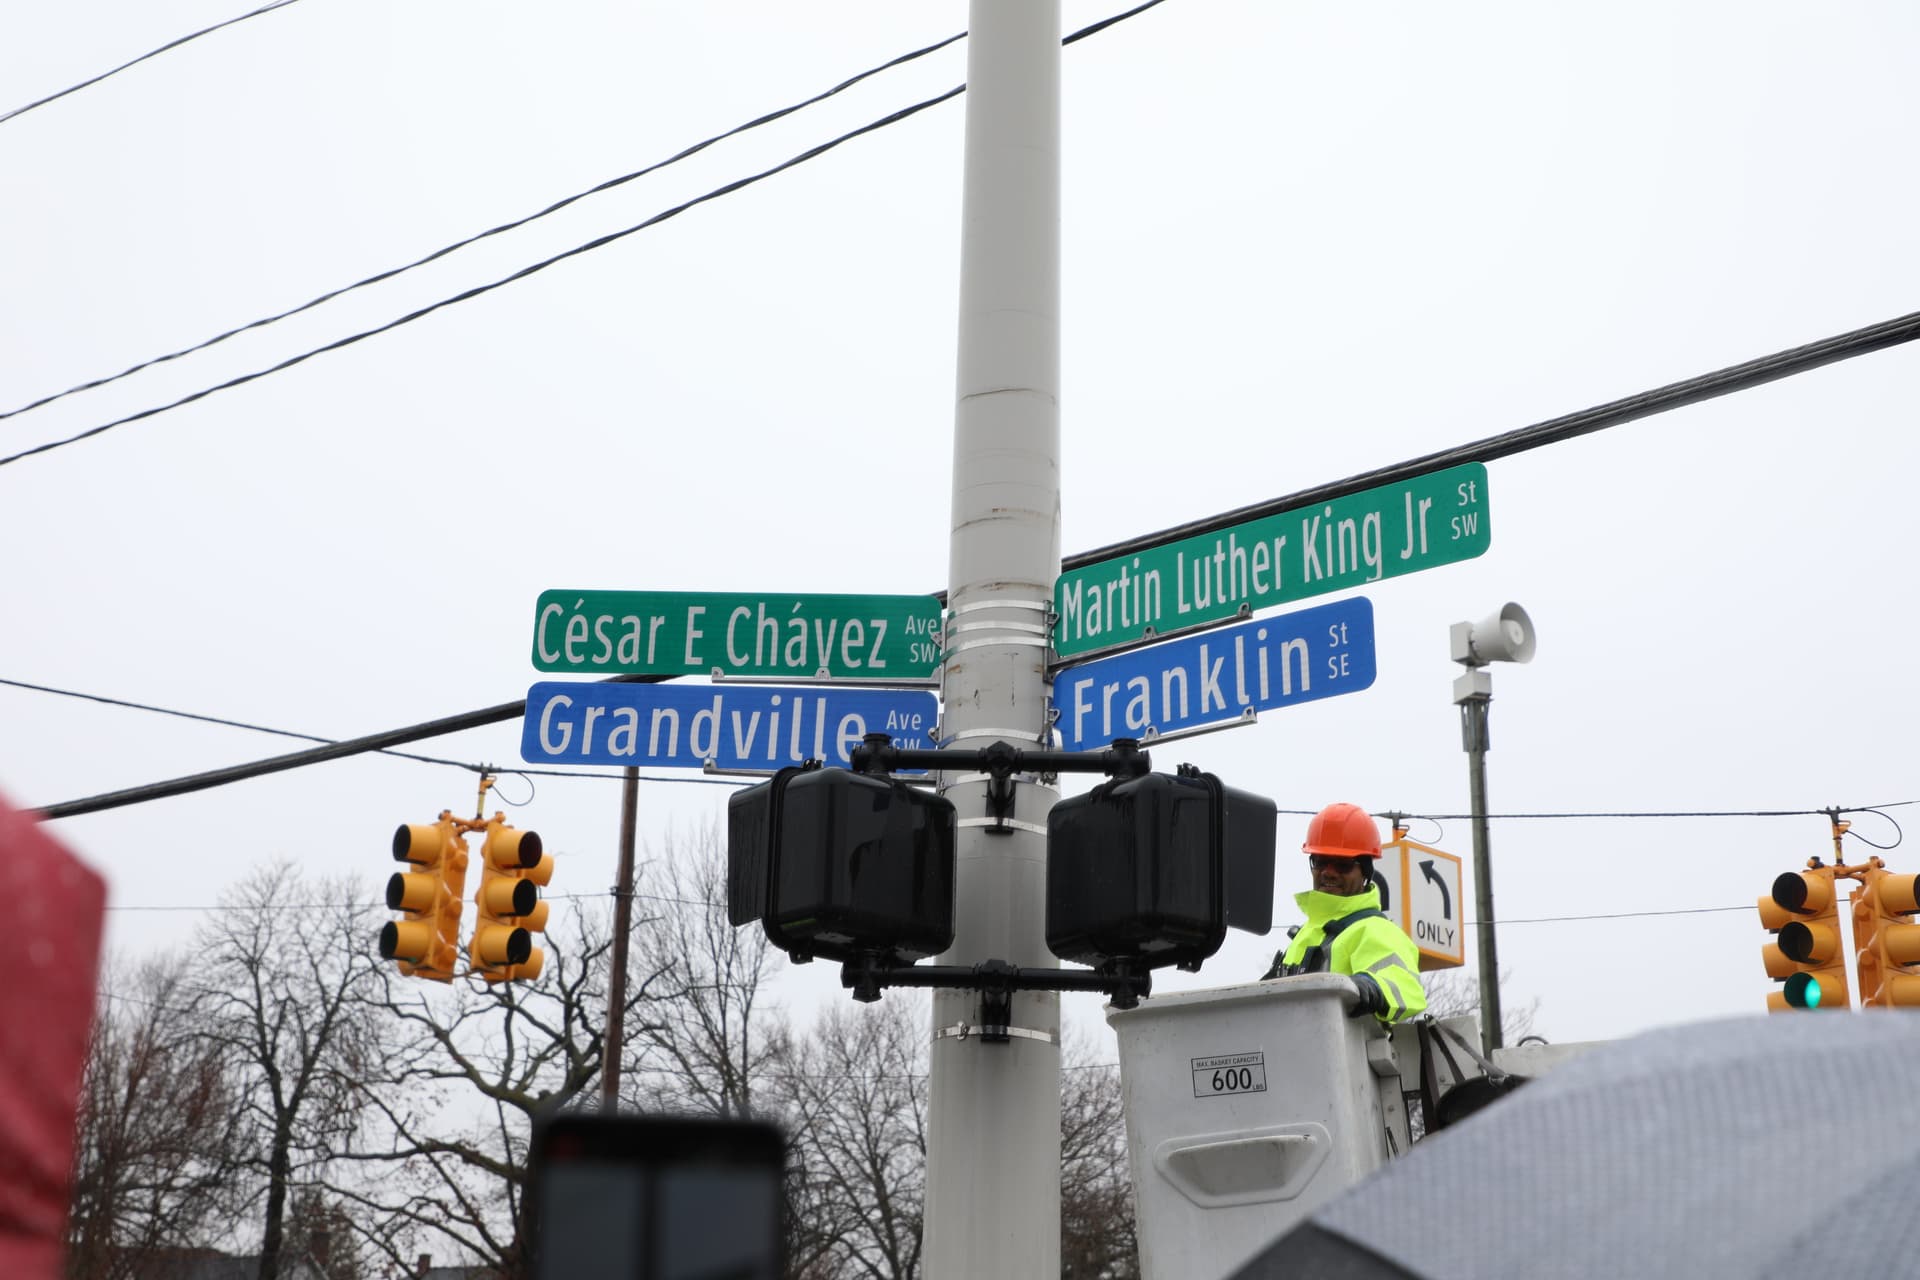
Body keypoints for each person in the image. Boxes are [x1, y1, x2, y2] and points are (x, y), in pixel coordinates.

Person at [1261, 802, 1427, 1024]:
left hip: (1346, 1046)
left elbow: (1406, 986)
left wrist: (1369, 988)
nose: (1329, 872)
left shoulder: (1376, 930)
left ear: (1365, 872)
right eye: (1320, 862)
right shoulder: (1305, 934)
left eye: (1342, 864)